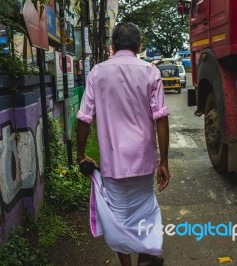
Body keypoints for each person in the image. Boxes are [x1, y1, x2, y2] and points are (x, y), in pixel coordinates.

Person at [76, 22, 170, 266]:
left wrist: (80, 155)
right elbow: (161, 118)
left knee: (119, 219)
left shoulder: (97, 72)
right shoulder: (150, 72)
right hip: (143, 160)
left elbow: (84, 118)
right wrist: (164, 162)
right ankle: (145, 258)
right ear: (138, 46)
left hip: (112, 162)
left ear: (112, 46)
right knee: (145, 213)